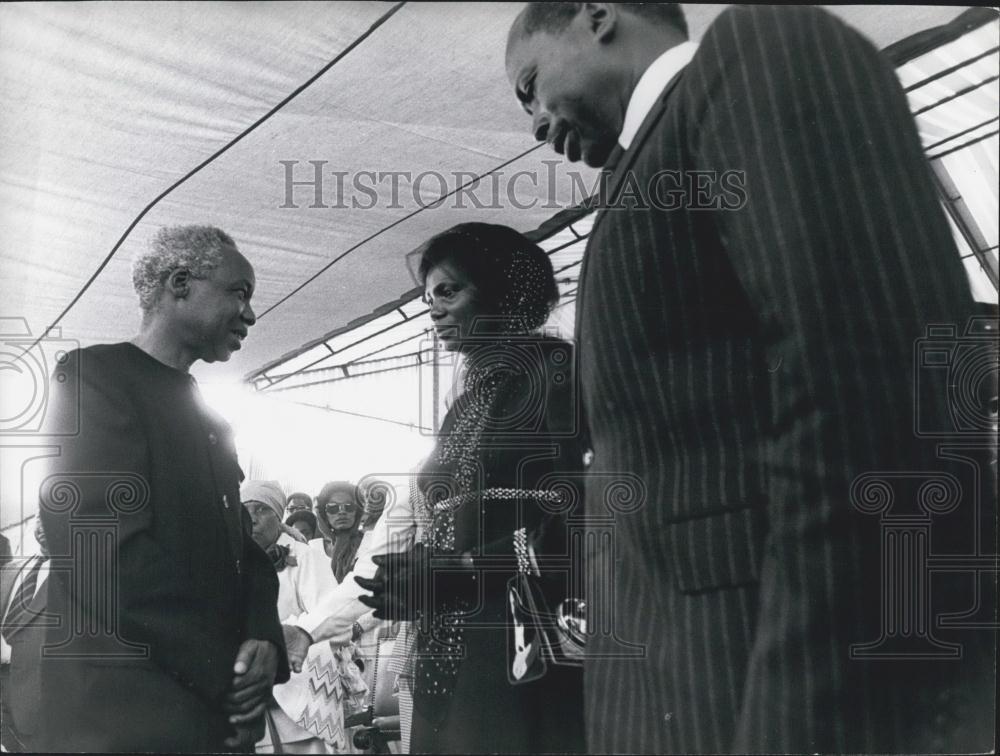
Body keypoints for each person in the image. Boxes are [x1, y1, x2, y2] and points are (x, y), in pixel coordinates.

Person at [506, 4, 994, 753]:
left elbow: (877, 395)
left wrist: (811, 716)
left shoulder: (755, 56)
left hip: (765, 689)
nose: (536, 122)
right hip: (685, 683)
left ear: (598, 16)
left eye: (531, 85)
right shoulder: (636, 186)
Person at [36, 225, 288, 751]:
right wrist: (229, 674)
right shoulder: (92, 379)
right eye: (238, 292)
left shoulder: (211, 418)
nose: (250, 314)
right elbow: (100, 550)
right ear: (179, 284)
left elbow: (243, 549)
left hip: (205, 710)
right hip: (124, 714)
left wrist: (263, 634)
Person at [357, 222, 585, 754]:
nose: (432, 309)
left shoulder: (555, 373)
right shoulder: (465, 402)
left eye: (448, 291)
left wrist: (461, 569)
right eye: (427, 296)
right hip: (452, 655)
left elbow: (587, 518)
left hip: (522, 657)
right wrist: (415, 578)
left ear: (500, 291)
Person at [242, 480, 365, 754]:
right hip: (249, 679)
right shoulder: (232, 560)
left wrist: (277, 639)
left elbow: (330, 619)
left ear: (278, 516)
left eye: (261, 509)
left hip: (297, 679)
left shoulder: (305, 556)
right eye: (245, 510)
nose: (252, 518)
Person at [0, 516, 50, 751]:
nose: (42, 526)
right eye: (40, 518)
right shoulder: (10, 569)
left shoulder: (82, 575)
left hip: (38, 707)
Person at [314, 481, 366, 584]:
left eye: (349, 506)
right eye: (333, 507)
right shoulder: (313, 549)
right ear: (324, 514)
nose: (342, 512)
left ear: (357, 512)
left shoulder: (369, 543)